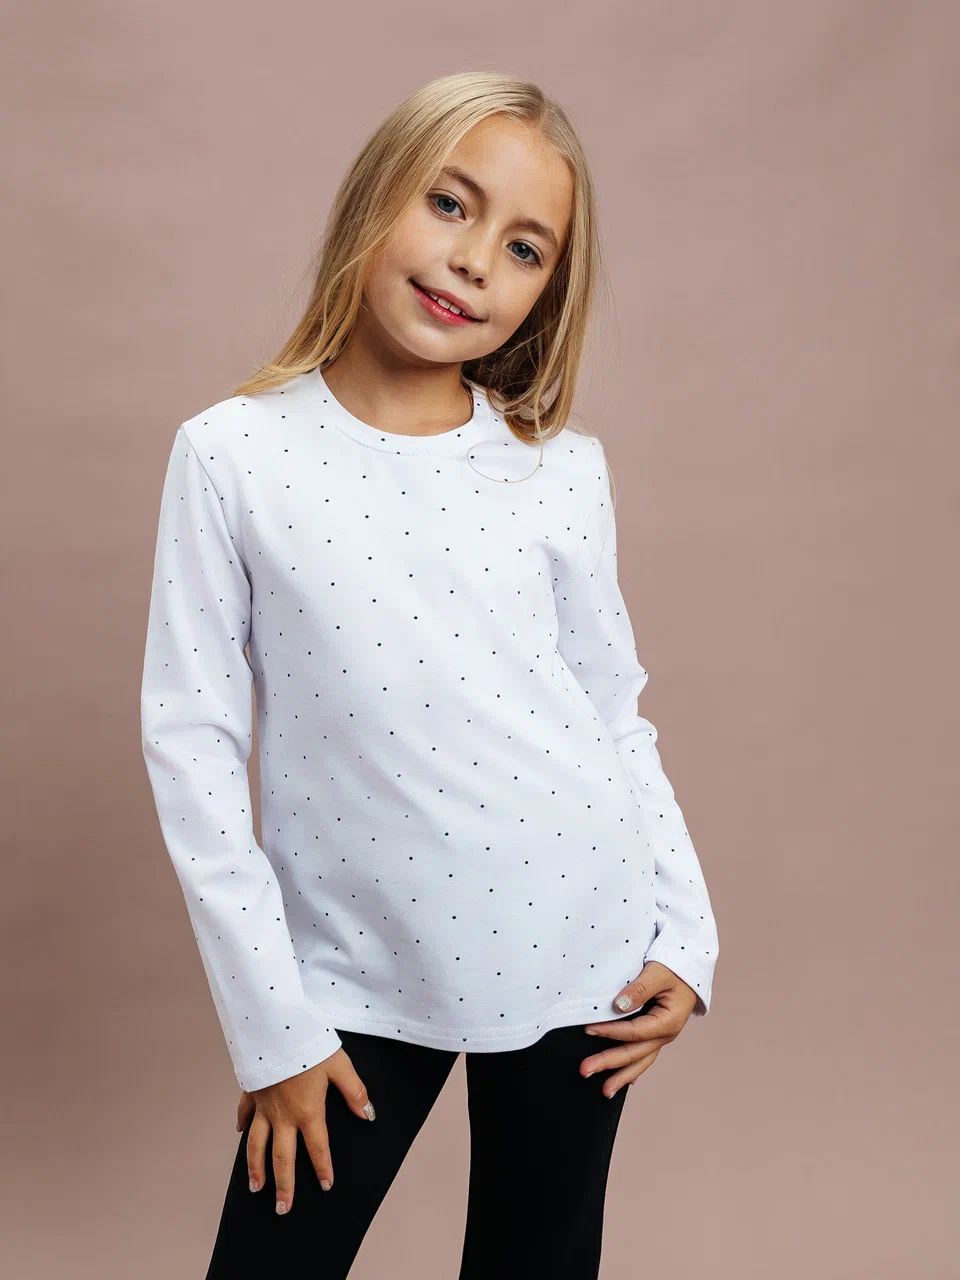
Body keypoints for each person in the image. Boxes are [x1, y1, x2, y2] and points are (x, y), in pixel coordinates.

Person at [139, 70, 720, 1279]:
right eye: (450, 204)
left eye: (524, 247)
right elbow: (191, 744)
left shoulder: (559, 471)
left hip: (579, 947)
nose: (473, 261)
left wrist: (689, 930)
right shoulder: (232, 456)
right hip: (351, 972)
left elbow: (613, 711)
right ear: (375, 198)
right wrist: (271, 1026)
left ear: (546, 291)